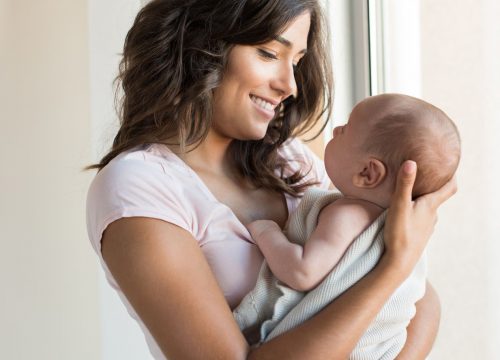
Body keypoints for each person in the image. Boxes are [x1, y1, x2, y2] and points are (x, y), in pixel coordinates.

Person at [85, 1, 456, 359]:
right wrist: (394, 266)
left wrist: (399, 267)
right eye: (268, 53)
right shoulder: (140, 187)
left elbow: (417, 302)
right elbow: (386, 280)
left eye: (297, 61)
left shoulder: (286, 158)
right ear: (199, 44)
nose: (290, 85)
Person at [233, 93, 461, 357]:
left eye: (346, 129)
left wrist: (267, 232)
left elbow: (302, 272)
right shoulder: (389, 226)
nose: (337, 129)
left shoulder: (347, 215)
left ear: (368, 173)